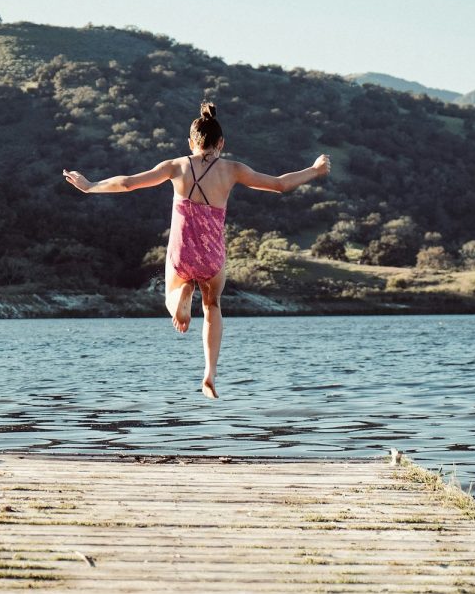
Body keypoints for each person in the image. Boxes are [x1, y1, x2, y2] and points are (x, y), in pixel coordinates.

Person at [63, 102, 331, 400]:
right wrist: (315, 170)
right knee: (212, 306)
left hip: (182, 252)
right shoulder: (233, 170)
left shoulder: (176, 166)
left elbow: (127, 184)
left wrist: (90, 185)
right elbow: (280, 184)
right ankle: (209, 374)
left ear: (190, 142)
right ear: (221, 143)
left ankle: (181, 295)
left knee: (171, 294)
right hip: (212, 255)